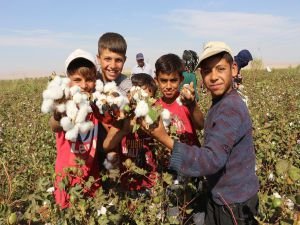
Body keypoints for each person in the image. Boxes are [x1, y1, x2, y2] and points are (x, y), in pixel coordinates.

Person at [145, 42, 260, 225]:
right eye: (207, 71)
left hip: (232, 202)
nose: (213, 77)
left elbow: (211, 159)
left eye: (220, 69)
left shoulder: (230, 107)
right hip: (224, 195)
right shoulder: (222, 101)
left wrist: (164, 138)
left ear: (234, 69)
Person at [154, 53, 205, 223]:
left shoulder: (185, 101)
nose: (168, 86)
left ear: (181, 79)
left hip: (194, 165)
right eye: (163, 80)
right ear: (156, 80)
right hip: (171, 170)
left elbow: (200, 124)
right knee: (173, 214)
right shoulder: (153, 108)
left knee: (197, 214)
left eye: (173, 80)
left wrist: (192, 104)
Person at [50, 49, 101, 208]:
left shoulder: (97, 106)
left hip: (91, 174)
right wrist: (59, 115)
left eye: (89, 79)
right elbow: (54, 125)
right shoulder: (65, 104)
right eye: (77, 79)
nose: (84, 85)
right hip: (67, 177)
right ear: (68, 81)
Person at [102, 73, 158, 197]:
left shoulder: (154, 118)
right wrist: (124, 130)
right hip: (127, 182)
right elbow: (106, 146)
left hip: (150, 181)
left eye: (148, 98)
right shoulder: (122, 120)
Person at [96, 32, 132, 96]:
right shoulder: (91, 78)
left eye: (118, 60)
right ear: (98, 59)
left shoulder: (127, 86)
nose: (113, 66)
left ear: (124, 60)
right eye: (107, 59)